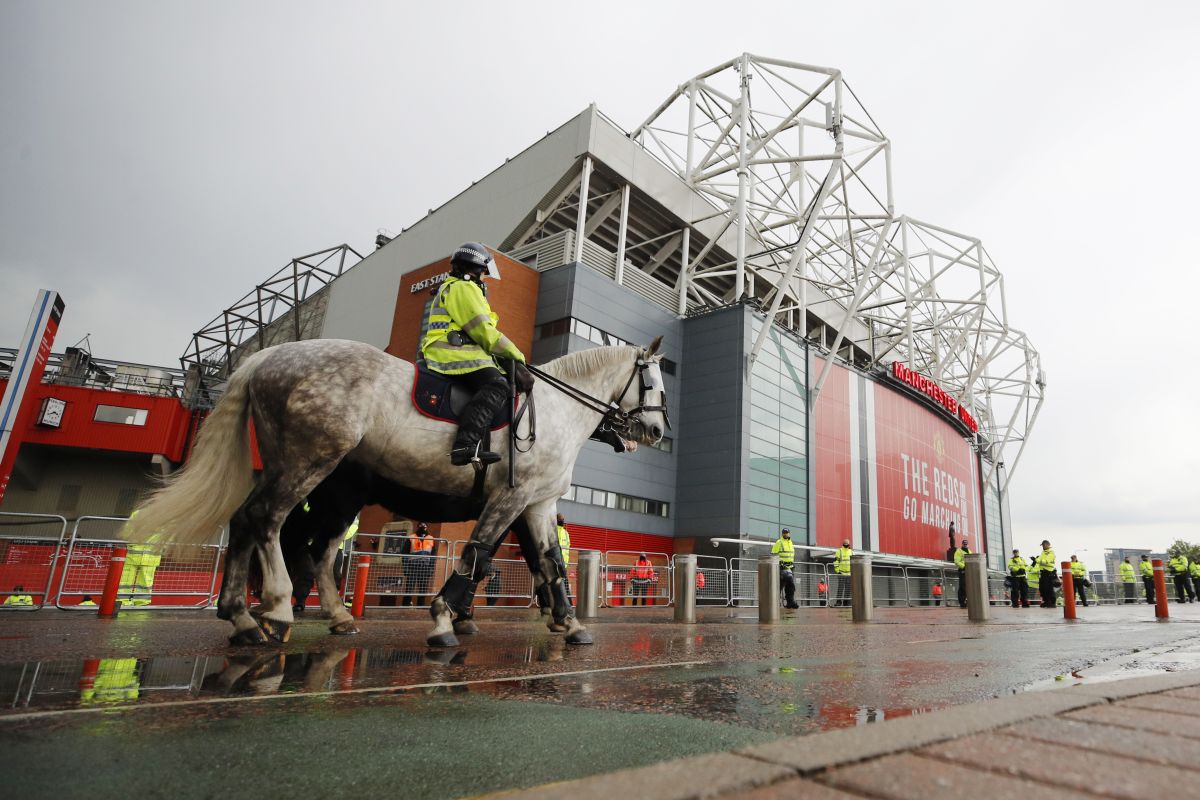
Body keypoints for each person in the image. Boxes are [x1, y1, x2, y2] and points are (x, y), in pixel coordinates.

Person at [419, 241, 533, 466]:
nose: (484, 279)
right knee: (497, 385)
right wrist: (517, 356)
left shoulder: (457, 287)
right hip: (453, 353)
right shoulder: (464, 288)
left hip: (459, 351)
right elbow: (483, 331)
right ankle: (465, 444)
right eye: (484, 274)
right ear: (476, 269)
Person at [402, 523, 437, 606]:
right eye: (421, 526)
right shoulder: (411, 538)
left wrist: (431, 568)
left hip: (425, 567)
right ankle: (405, 605)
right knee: (409, 587)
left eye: (424, 526)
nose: (423, 528)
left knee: (423, 588)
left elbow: (433, 555)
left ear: (427, 527)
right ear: (417, 527)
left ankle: (421, 606)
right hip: (412, 566)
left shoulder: (431, 538)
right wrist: (406, 567)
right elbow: (404, 553)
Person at [772, 528, 799, 609]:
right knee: (779, 585)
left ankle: (790, 602)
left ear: (789, 534)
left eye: (786, 533)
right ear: (782, 533)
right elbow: (774, 554)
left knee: (790, 586)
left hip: (790, 567)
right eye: (784, 533)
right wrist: (779, 563)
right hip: (781, 567)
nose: (785, 534)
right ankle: (775, 603)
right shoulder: (779, 542)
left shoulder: (791, 543)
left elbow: (790, 555)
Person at [1035, 539, 1057, 608]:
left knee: (1049, 588)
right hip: (1043, 572)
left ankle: (1052, 602)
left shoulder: (1051, 552)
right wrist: (1037, 560)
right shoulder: (1043, 552)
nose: (1043, 547)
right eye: (1042, 545)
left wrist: (1037, 560)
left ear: (1048, 545)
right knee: (1042, 588)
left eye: (1044, 545)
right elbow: (1040, 560)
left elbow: (1046, 561)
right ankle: (1046, 601)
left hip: (1049, 572)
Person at [555, 513, 572, 596]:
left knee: (564, 585)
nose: (562, 521)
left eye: (563, 519)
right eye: (561, 519)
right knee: (556, 584)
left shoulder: (566, 533)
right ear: (556, 520)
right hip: (555, 563)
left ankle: (568, 602)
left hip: (563, 564)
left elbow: (567, 550)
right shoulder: (553, 531)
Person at [832, 539, 852, 607]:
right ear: (843, 543)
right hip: (841, 573)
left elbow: (853, 562)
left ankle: (846, 602)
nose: (846, 544)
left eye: (847, 543)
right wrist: (838, 571)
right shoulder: (839, 551)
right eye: (845, 543)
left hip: (849, 574)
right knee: (840, 588)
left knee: (848, 589)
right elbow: (835, 562)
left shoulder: (851, 552)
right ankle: (838, 602)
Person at [953, 538, 970, 608]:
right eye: (964, 544)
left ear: (967, 544)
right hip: (962, 570)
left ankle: (967, 601)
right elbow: (956, 561)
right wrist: (964, 566)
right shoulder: (958, 551)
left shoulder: (970, 551)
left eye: (966, 544)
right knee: (962, 587)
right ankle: (962, 603)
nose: (965, 545)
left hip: (969, 571)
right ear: (962, 544)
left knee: (968, 587)